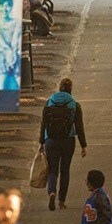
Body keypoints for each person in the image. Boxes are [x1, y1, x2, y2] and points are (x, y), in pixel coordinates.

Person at [38, 77, 88, 211]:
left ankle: (52, 192)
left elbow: (43, 124)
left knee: (53, 170)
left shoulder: (49, 102)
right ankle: (61, 200)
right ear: (71, 89)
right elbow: (79, 127)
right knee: (65, 170)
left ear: (59, 88)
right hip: (68, 141)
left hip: (51, 141)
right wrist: (83, 145)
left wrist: (41, 142)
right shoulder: (74, 104)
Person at [0, 0, 21, 88]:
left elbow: (15, 42)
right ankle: (2, 91)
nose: (4, 9)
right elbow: (2, 43)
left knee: (17, 59)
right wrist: (9, 53)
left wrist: (13, 54)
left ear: (11, 7)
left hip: (13, 55)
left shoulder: (16, 22)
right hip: (0, 55)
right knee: (2, 58)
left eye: (8, 6)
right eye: (2, 5)